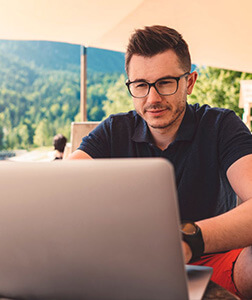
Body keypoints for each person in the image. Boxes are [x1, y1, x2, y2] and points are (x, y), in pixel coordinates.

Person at [67, 25, 252, 298]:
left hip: (212, 262)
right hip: (125, 266)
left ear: (189, 82)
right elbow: (60, 189)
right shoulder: (112, 130)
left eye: (165, 83)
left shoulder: (221, 125)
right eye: (141, 85)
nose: (153, 98)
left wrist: (188, 239)